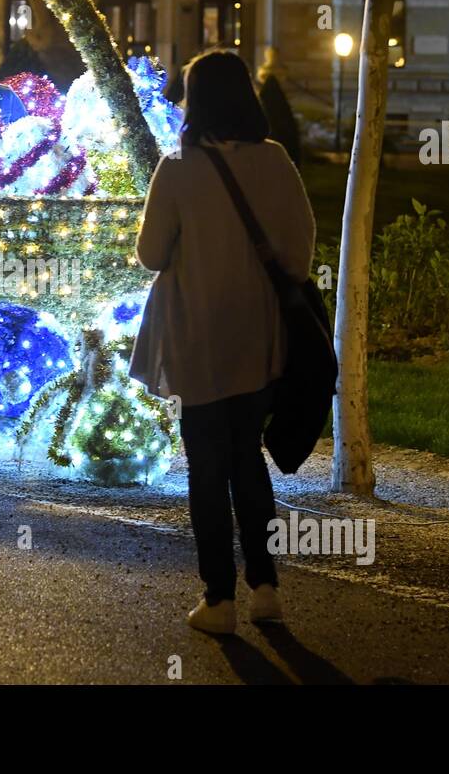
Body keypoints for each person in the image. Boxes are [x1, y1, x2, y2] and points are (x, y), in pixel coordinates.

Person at [129, 50, 316, 633]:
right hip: (257, 337)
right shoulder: (277, 161)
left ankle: (219, 599)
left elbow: (150, 254)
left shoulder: (179, 164)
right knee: (246, 459)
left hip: (196, 338)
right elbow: (300, 255)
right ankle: (266, 588)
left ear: (197, 100)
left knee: (206, 467)